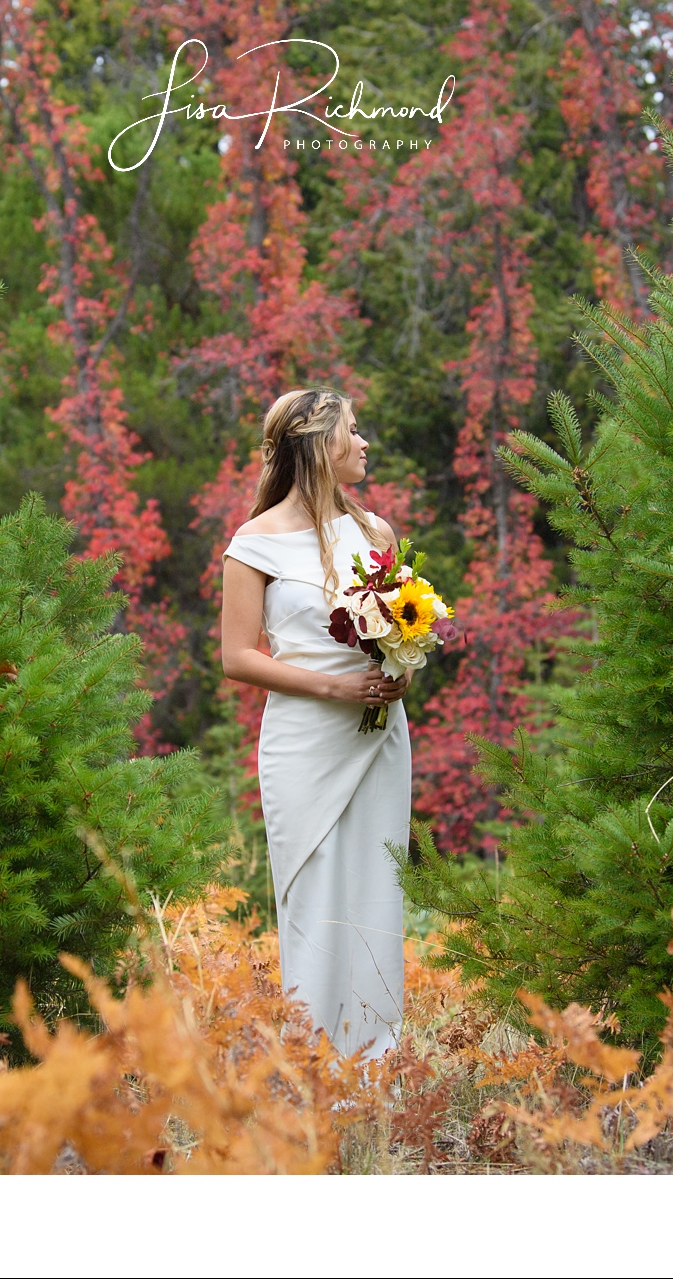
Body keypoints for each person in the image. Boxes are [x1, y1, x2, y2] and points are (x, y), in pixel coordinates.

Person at [220, 387, 411, 1060]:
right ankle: (313, 1057)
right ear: (318, 445)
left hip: (378, 737)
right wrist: (337, 685)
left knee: (376, 885)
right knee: (314, 886)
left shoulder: (376, 532)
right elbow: (237, 655)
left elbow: (404, 629)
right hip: (306, 737)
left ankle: (378, 1060)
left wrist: (402, 669)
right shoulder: (254, 542)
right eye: (353, 433)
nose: (364, 444)